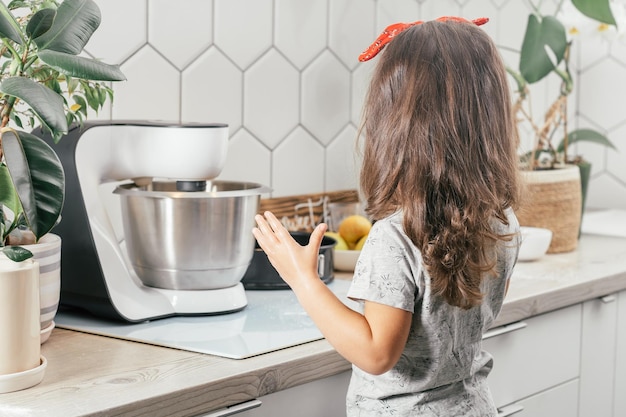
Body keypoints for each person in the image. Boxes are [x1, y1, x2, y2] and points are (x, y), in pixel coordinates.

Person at [252, 16, 522, 417]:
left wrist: (302, 279)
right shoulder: (503, 223)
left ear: (395, 123)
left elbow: (377, 352)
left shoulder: (396, 237)